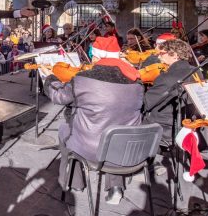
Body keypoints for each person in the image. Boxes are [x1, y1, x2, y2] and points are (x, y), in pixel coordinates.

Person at [45, 35, 144, 205]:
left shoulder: (83, 78)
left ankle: (74, 183)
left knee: (65, 130)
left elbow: (59, 96)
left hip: (92, 148)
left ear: (97, 57)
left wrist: (49, 78)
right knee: (116, 126)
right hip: (128, 148)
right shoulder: (137, 81)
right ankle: (115, 187)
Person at [143, 39, 197, 141]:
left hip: (165, 128)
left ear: (175, 55)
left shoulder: (166, 78)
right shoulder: (196, 71)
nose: (159, 57)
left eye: (162, 54)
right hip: (187, 124)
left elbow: (146, 103)